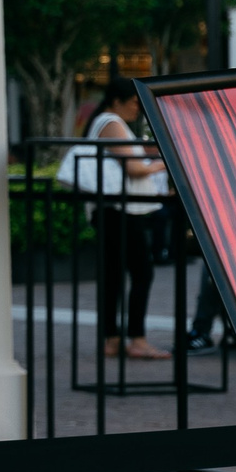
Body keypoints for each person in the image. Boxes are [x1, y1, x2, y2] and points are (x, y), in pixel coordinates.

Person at [83, 77, 170, 360]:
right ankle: (136, 339)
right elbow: (133, 168)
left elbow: (130, 156)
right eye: (134, 102)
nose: (138, 107)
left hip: (112, 209)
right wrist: (166, 162)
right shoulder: (111, 123)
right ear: (117, 100)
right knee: (142, 271)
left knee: (115, 274)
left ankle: (113, 338)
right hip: (119, 209)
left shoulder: (107, 123)